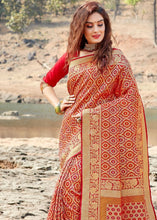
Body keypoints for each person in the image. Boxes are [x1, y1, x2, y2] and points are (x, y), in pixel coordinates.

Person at [40, 1, 156, 219]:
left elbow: (131, 99)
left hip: (105, 134)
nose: (96, 30)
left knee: (95, 186)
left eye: (100, 24)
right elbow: (46, 83)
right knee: (71, 184)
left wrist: (94, 115)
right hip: (74, 131)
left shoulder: (117, 58)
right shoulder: (72, 56)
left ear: (106, 26)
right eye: (90, 25)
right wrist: (57, 105)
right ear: (81, 28)